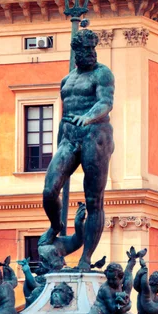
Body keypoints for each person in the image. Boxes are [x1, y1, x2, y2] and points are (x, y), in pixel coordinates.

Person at [39, 29, 114, 271]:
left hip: (96, 135)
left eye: (93, 49)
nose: (91, 53)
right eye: (85, 50)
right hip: (69, 136)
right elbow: (63, 114)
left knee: (94, 201)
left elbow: (105, 102)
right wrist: (61, 140)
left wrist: (89, 117)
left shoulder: (103, 73)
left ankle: (86, 259)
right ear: (76, 53)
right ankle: (55, 226)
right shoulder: (67, 80)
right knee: (50, 190)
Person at [67, 247, 147, 314]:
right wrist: (128, 305)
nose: (111, 281)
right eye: (109, 279)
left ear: (120, 277)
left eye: (114, 279)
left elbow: (129, 271)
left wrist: (132, 261)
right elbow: (113, 309)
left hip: (113, 313)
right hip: (101, 311)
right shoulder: (105, 289)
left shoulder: (120, 281)